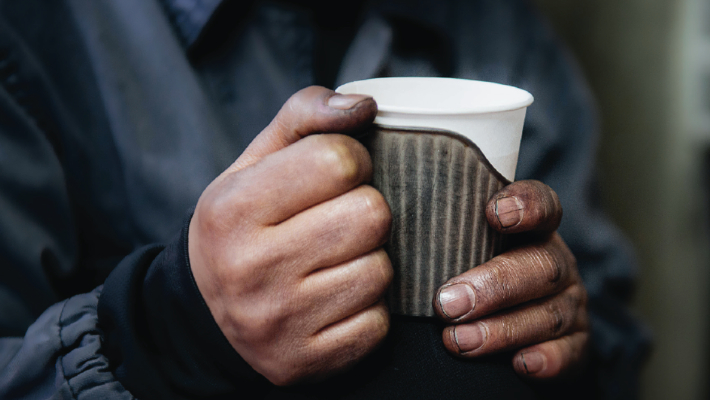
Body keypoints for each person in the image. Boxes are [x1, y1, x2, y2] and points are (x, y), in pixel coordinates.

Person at [0, 0, 649, 399]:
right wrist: (166, 337)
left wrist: (567, 350)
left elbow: (613, 330)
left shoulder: (500, 26)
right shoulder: (34, 31)